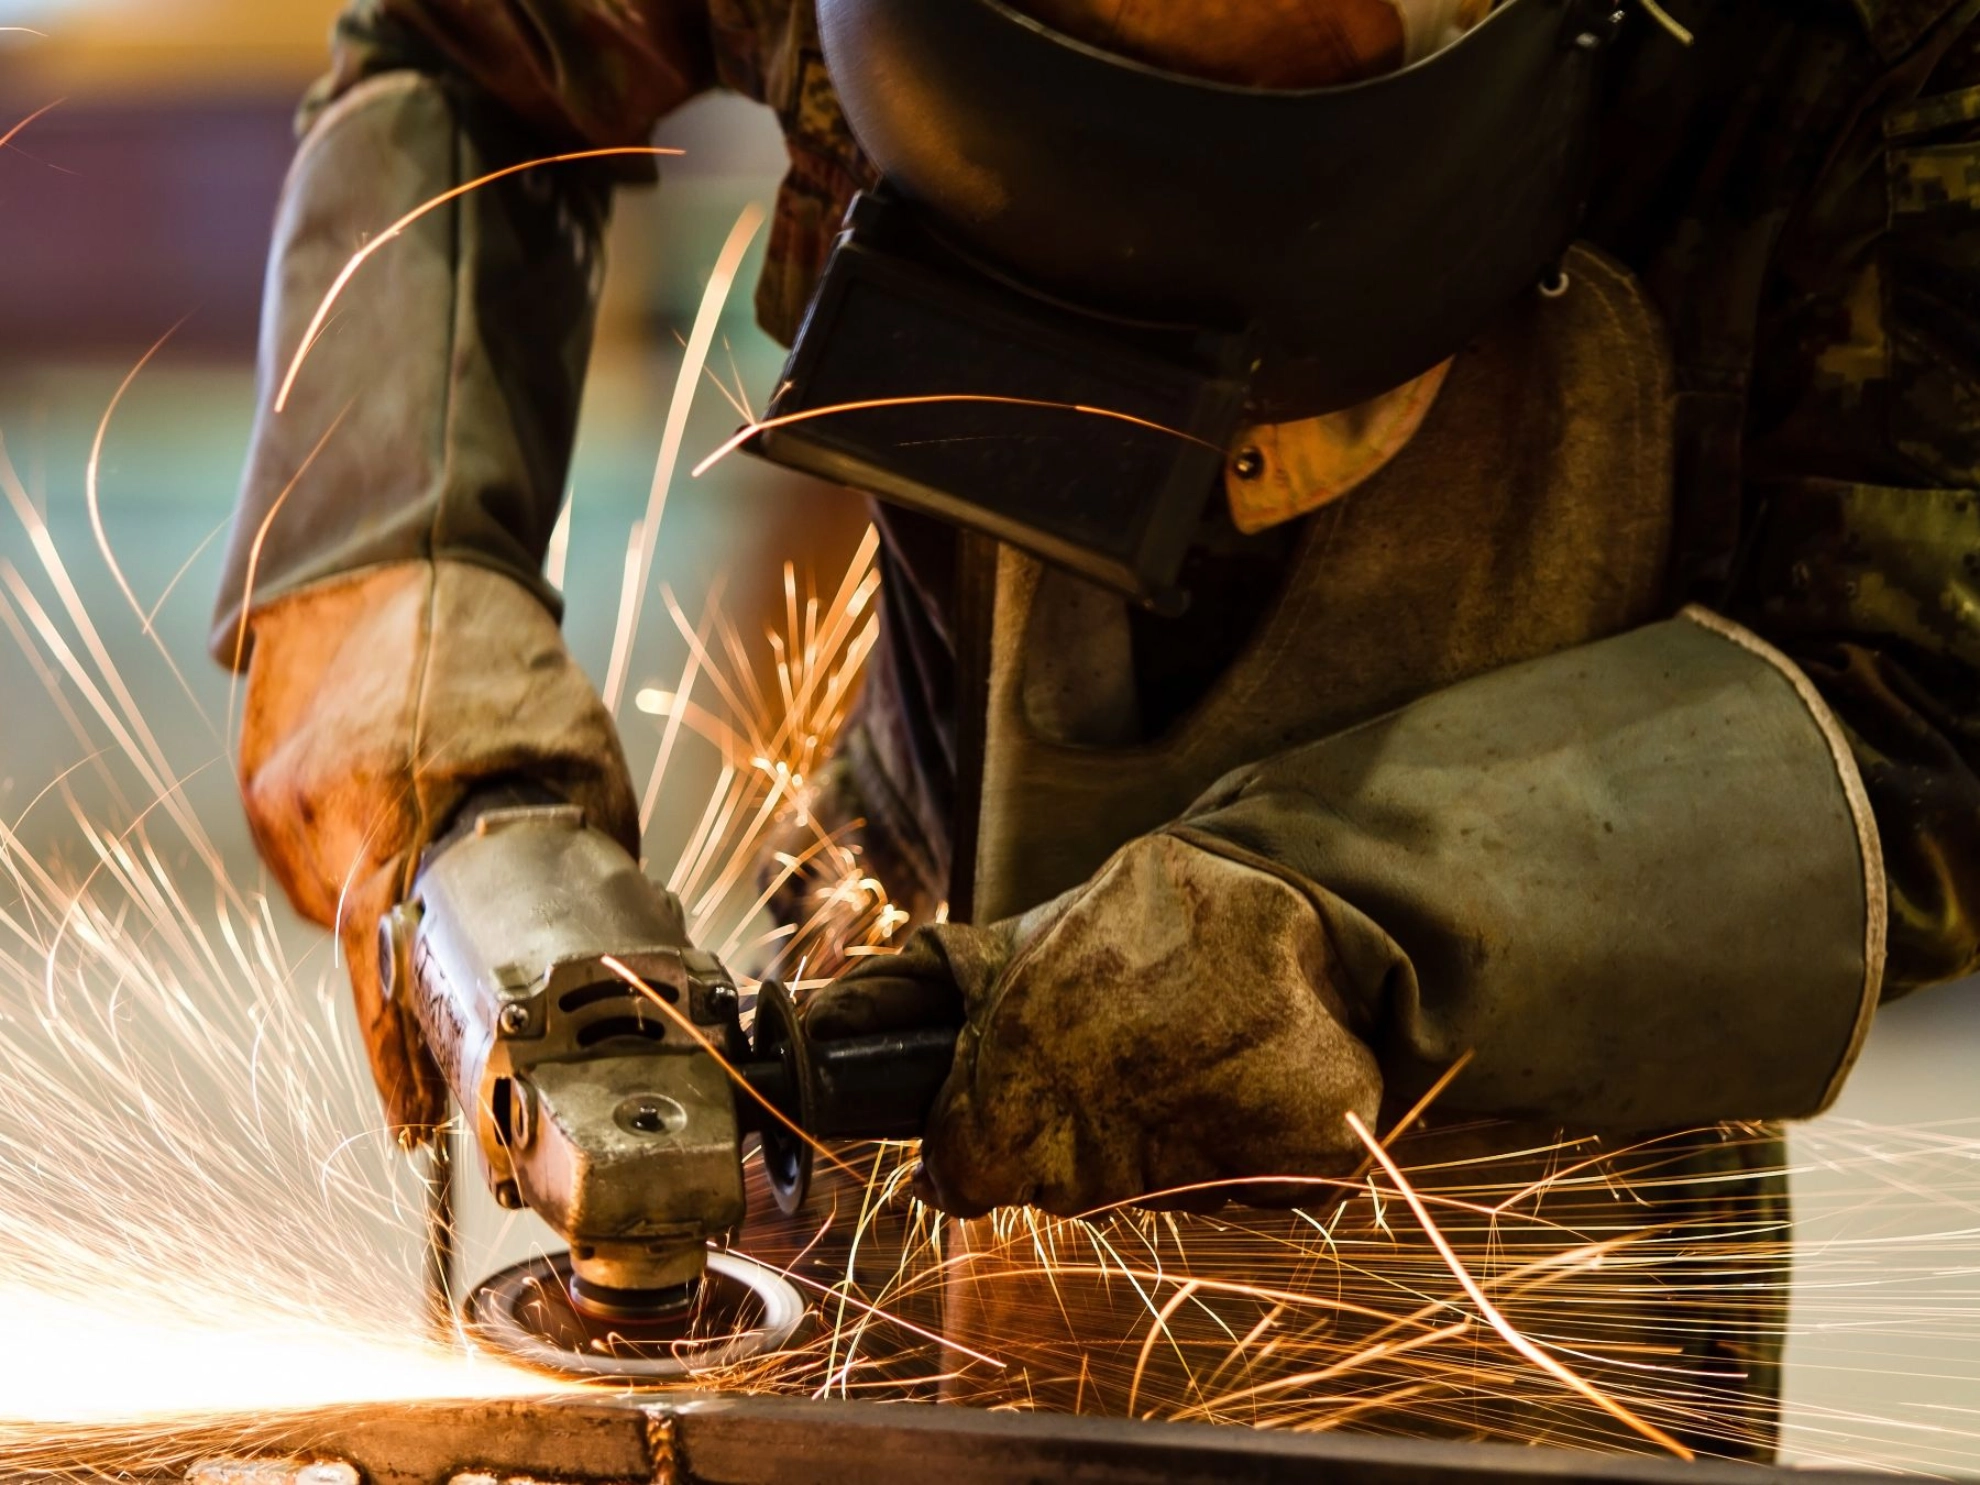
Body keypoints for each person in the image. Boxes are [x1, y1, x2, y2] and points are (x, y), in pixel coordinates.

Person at [222, 0, 1980, 1230]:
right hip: (884, 986)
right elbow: (463, 52)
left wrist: (1350, 925)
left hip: (1521, 1201)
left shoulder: (1874, 53)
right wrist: (398, 551)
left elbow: (1940, 716)